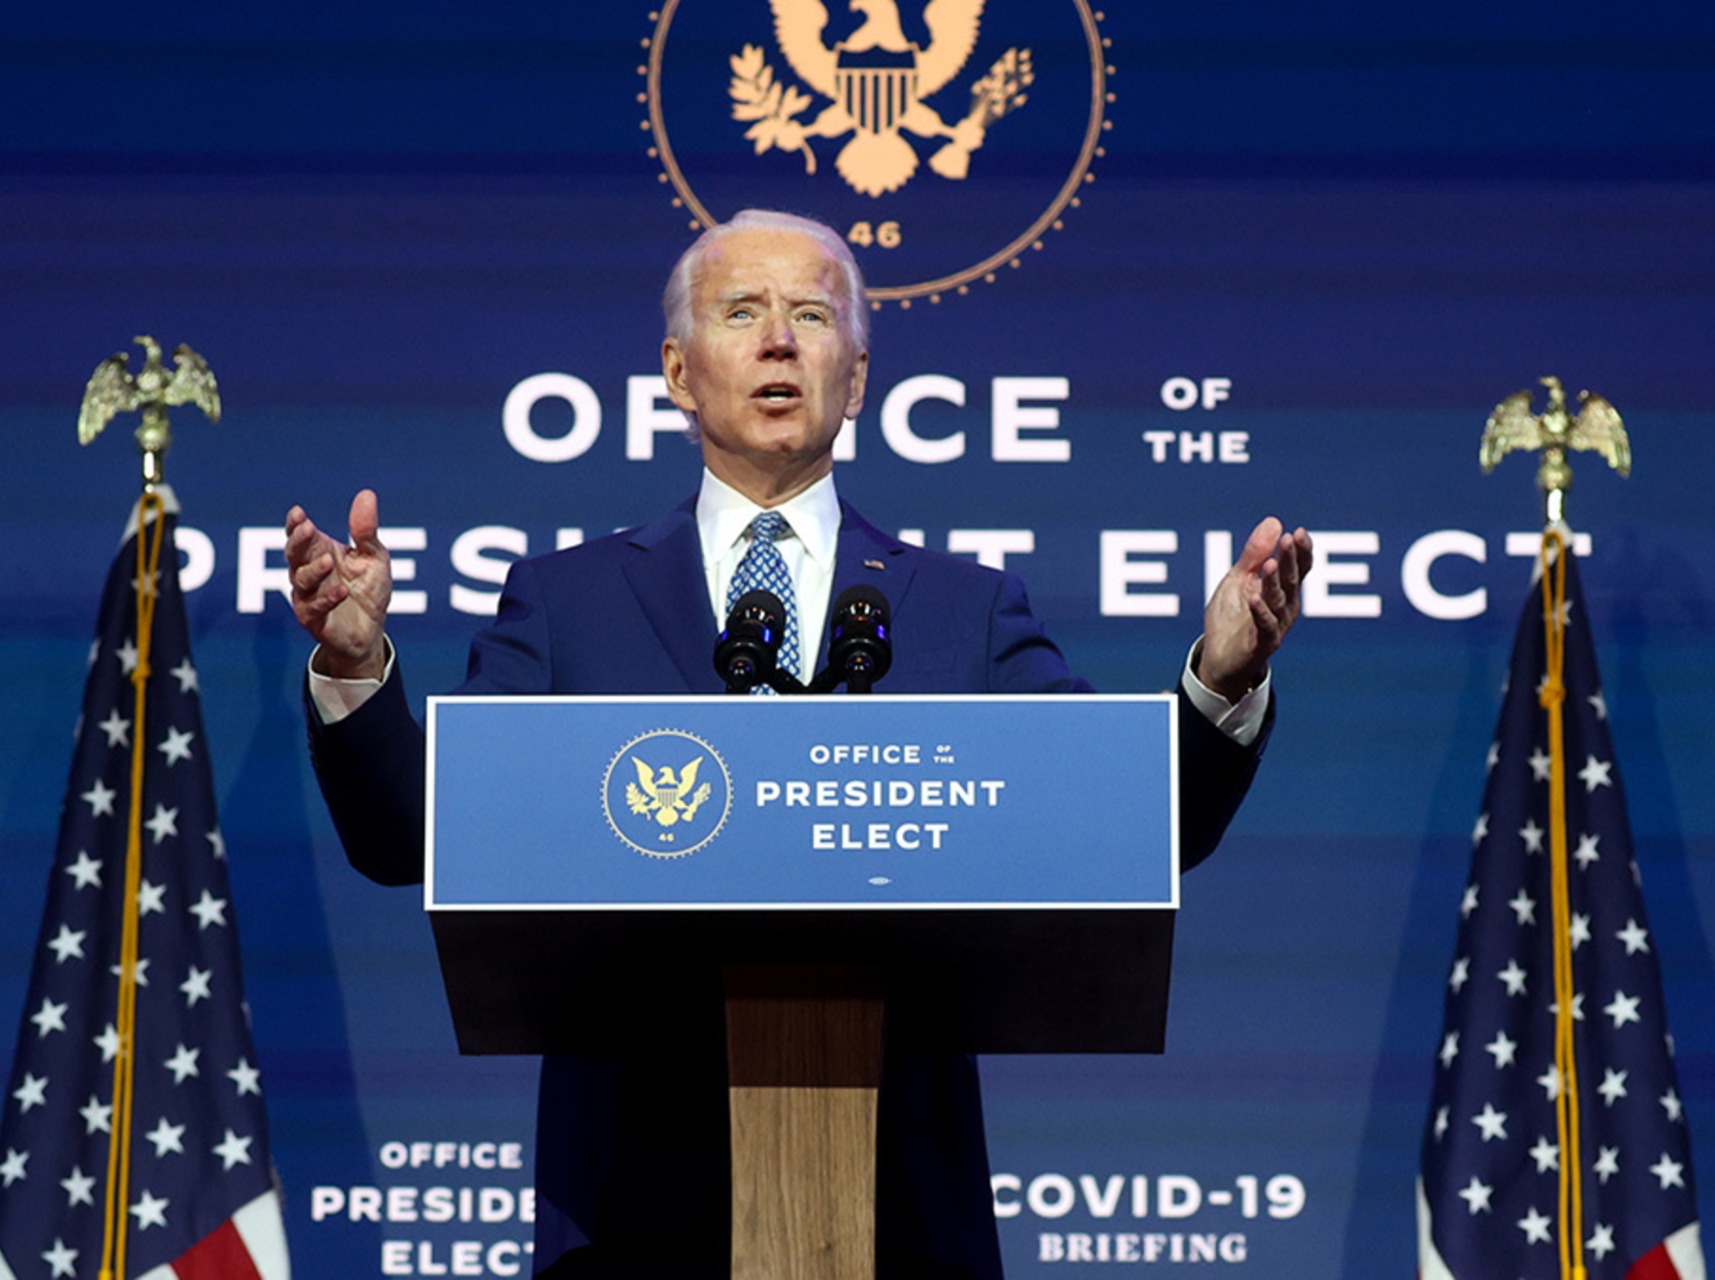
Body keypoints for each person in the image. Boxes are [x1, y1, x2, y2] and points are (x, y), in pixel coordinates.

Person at [285, 209, 1313, 1279]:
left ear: (856, 376)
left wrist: (1221, 674)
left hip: (901, 1216)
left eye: (810, 315)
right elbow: (416, 836)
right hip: (630, 1215)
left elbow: (1120, 822)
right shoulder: (568, 600)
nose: (779, 340)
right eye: (744, 312)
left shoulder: (964, 608)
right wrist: (358, 663)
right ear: (680, 373)